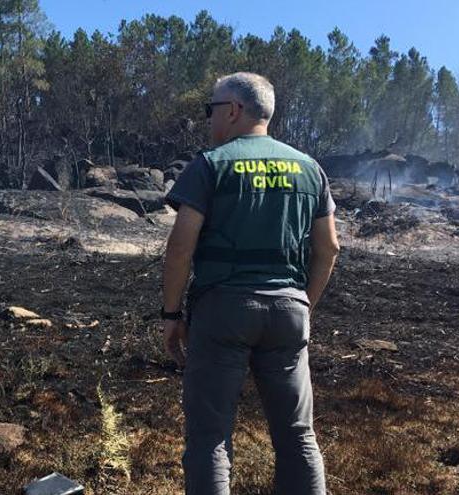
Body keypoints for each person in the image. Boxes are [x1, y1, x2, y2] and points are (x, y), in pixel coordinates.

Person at [160, 72, 340, 494]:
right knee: (298, 436)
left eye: (211, 109)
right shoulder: (310, 169)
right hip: (289, 311)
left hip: (223, 311)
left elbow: (180, 246)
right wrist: (303, 303)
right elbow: (329, 248)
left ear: (235, 110)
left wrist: (171, 313)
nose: (208, 119)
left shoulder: (210, 165)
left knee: (210, 438)